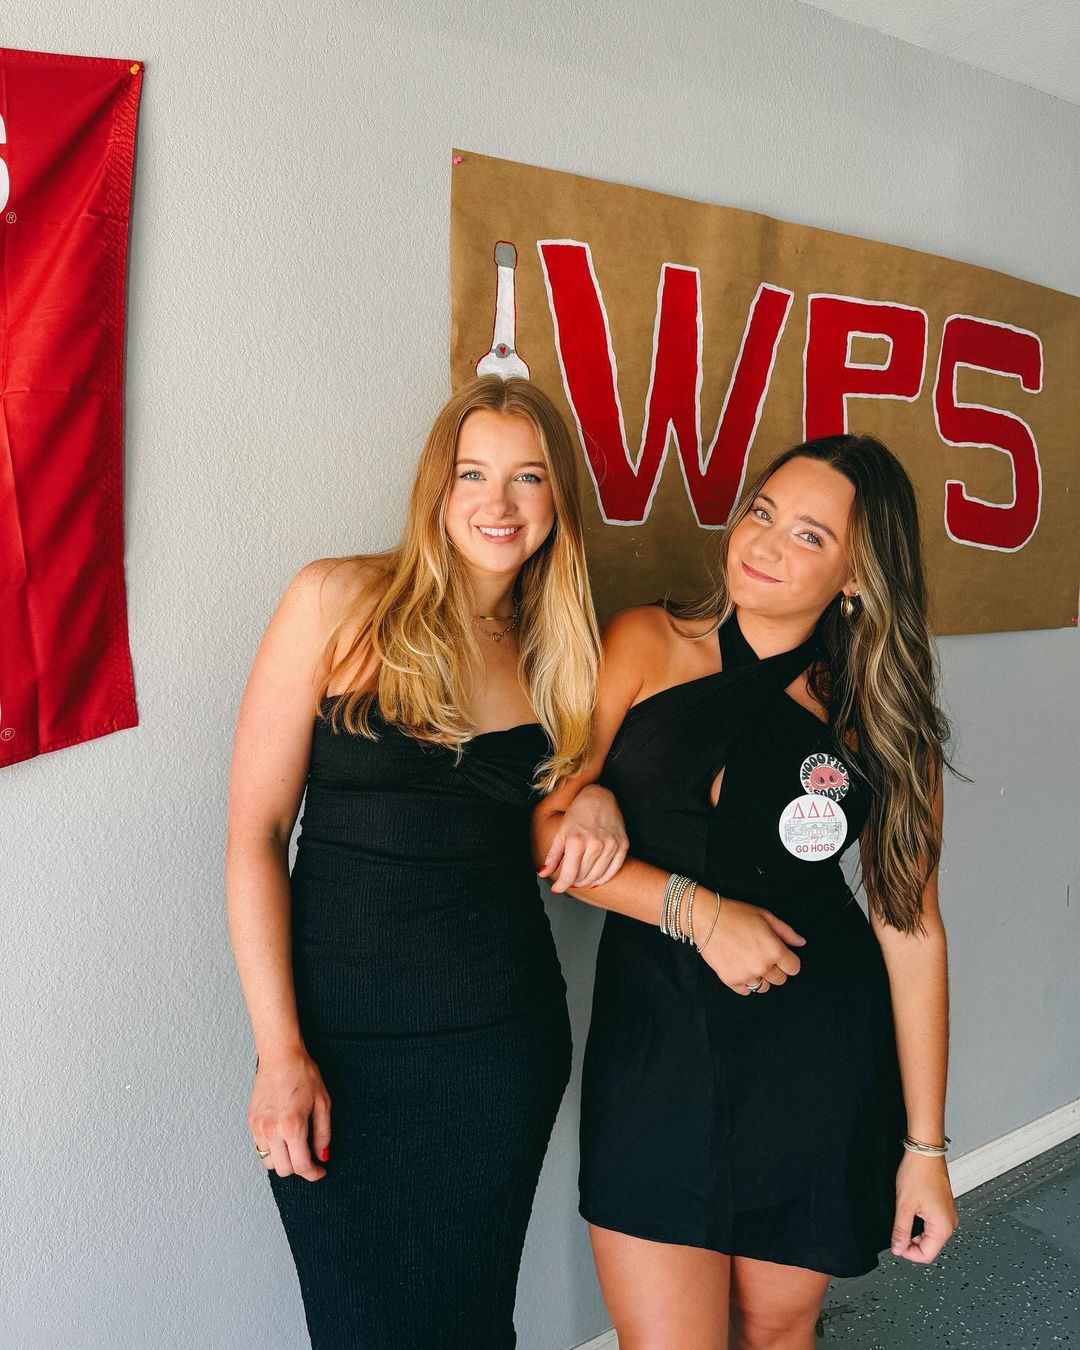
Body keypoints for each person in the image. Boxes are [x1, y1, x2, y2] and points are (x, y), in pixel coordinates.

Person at [533, 434, 960, 1349]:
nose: (764, 544)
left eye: (809, 535)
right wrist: (700, 913)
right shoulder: (646, 642)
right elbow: (549, 834)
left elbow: (911, 927)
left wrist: (925, 1149)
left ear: (857, 575)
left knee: (775, 1331)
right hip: (655, 1048)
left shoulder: (880, 720)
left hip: (813, 1050)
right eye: (762, 513)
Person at [225, 375, 625, 1348]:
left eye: (529, 477)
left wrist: (598, 795)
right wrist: (280, 1053)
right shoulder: (336, 600)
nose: (499, 502)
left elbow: (570, 805)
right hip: (337, 1041)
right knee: (359, 1327)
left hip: (497, 1038)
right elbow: (254, 835)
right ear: (437, 488)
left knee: (473, 1321)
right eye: (473, 473)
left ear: (557, 499)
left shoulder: (561, 652)